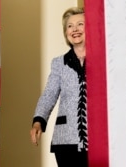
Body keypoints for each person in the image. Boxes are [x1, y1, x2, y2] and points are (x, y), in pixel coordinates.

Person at [30, 7, 88, 167]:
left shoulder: (104, 60)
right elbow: (49, 95)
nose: (74, 29)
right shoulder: (59, 63)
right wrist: (38, 121)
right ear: (66, 32)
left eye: (80, 24)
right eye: (70, 26)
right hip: (65, 142)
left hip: (99, 139)